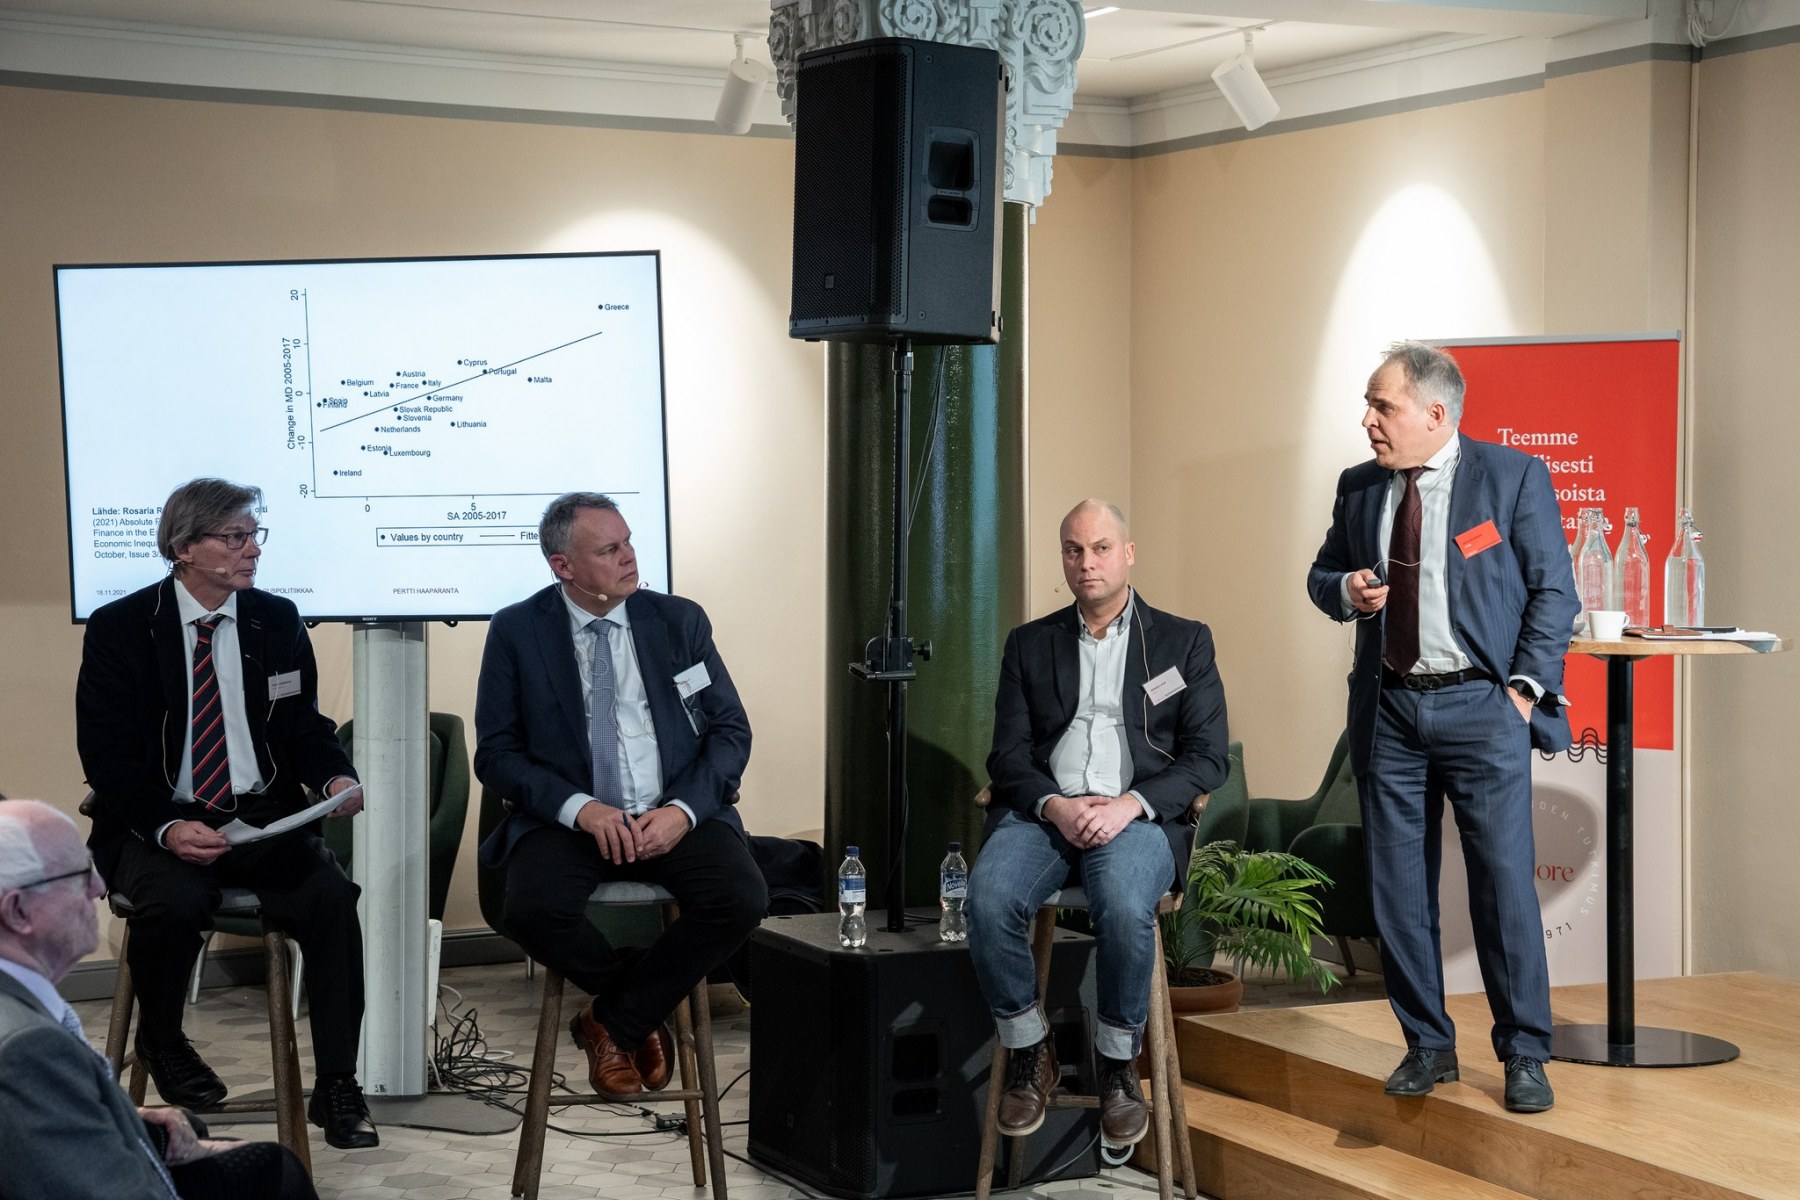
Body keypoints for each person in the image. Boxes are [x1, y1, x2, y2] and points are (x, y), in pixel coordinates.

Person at [1307, 341, 1579, 1113]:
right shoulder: (1360, 486)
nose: (1368, 421)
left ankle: (1524, 1053)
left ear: (1435, 412)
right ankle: (1428, 1045)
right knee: (1397, 891)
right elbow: (1321, 574)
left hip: (1481, 710)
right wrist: (1345, 590)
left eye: (1382, 406)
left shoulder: (1512, 476)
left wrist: (1520, 695)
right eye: (1368, 405)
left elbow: (1553, 594)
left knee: (1503, 888)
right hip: (1390, 710)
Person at [75, 478, 378, 1148]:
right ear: (184, 548)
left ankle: (338, 1084)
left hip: (259, 818)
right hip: (157, 820)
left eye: (254, 535)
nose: (253, 551)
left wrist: (334, 774)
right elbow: (107, 757)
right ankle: (163, 1041)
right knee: (174, 903)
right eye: (235, 538)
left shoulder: (276, 619)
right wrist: (167, 826)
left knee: (332, 901)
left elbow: (303, 725)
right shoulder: (122, 627)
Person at [474, 493, 767, 1099]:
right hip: (572, 823)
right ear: (563, 566)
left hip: (672, 811)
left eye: (629, 541)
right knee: (529, 910)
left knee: (741, 897)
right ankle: (635, 1011)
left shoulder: (679, 622)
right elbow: (496, 754)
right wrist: (580, 809)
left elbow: (729, 731)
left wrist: (682, 812)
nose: (630, 557)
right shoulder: (517, 630)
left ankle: (612, 1021)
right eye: (610, 550)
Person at [968, 499, 1229, 1148]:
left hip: (1135, 817)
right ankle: (1031, 1049)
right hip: (1045, 814)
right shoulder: (1030, 644)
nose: (1087, 562)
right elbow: (1006, 756)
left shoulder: (1183, 641)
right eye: (1074, 550)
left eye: (1101, 548)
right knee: (988, 899)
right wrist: (1055, 805)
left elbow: (1208, 757)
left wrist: (1129, 805)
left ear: (1128, 553)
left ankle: (1117, 1067)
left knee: (1122, 903)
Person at [0, 799, 319, 1200]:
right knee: (276, 1176)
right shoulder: (26, 1046)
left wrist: (129, 1117)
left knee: (263, 1162)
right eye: (79, 874)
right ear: (17, 911)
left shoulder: (22, 999)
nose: (98, 887)